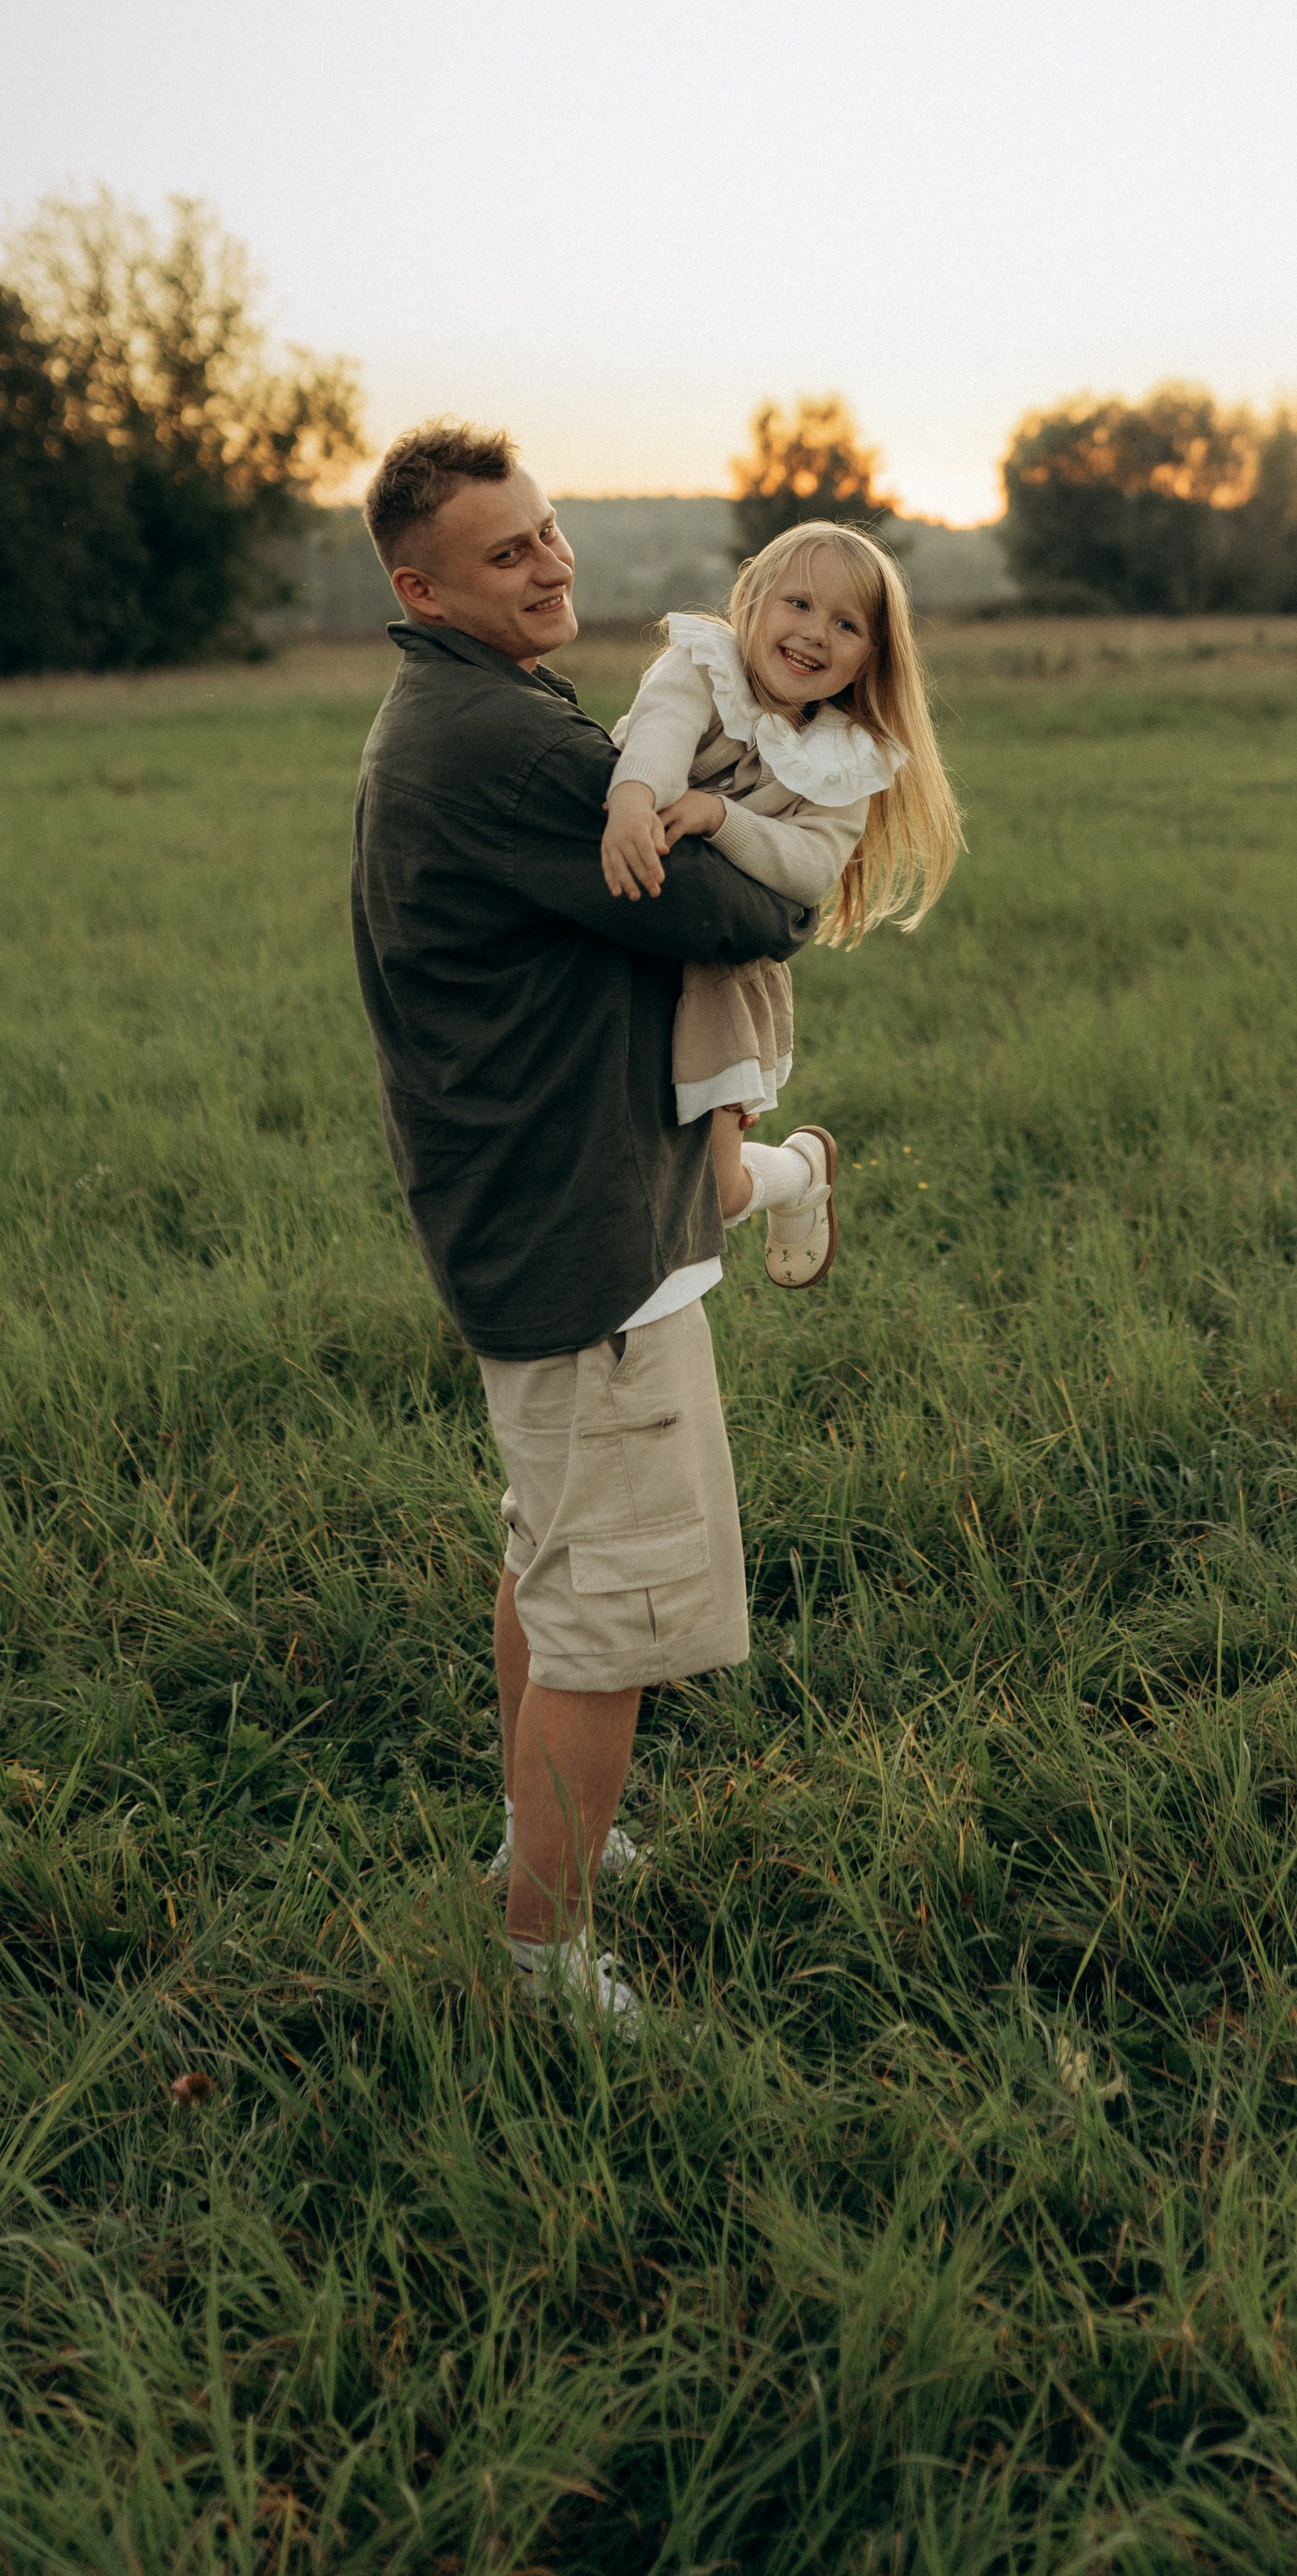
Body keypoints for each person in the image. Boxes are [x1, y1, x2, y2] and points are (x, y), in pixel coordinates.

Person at [348, 421, 812, 2029]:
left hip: (534, 1209)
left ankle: (531, 1850)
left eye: (548, 532)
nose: (549, 563)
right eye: (505, 551)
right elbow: (753, 907)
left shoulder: (466, 709)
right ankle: (544, 1955)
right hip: (576, 1238)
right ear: (420, 586)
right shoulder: (499, 745)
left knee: (552, 1563)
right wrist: (783, 830)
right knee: (608, 1614)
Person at [598, 521, 962, 1267]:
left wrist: (719, 816)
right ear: (754, 598)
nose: (813, 634)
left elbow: (809, 868)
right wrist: (637, 801)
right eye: (797, 603)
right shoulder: (700, 666)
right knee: (623, 1162)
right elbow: (661, 734)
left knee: (715, 1193)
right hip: (625, 941)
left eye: (846, 624)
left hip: (723, 984)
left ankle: (799, 1173)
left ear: (870, 657)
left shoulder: (845, 763)